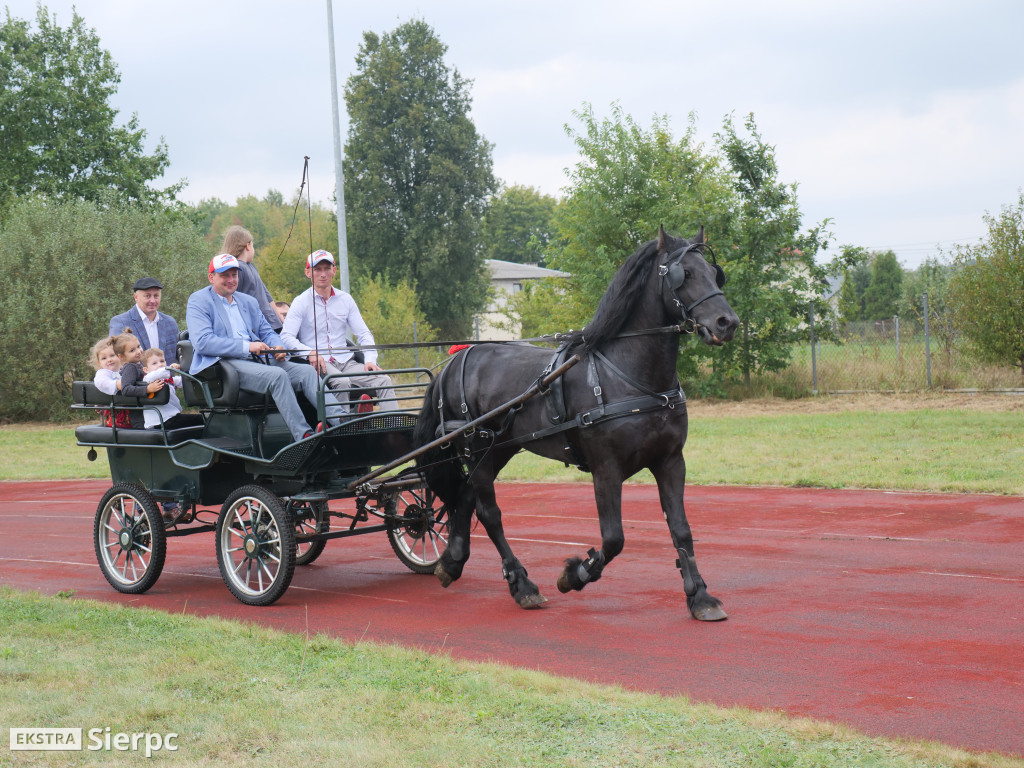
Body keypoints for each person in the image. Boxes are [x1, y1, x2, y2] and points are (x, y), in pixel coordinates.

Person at [185, 253, 343, 442]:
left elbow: (267, 331)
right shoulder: (199, 301)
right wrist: (248, 346)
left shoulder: (247, 301)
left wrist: (279, 345)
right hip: (225, 365)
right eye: (224, 275)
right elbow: (203, 342)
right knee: (277, 376)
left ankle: (342, 421)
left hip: (259, 361)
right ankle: (304, 435)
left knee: (307, 372)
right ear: (212, 277)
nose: (231, 280)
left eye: (234, 275)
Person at [280, 250, 398, 412]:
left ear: (334, 270)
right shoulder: (301, 302)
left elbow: (363, 334)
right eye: (317, 269)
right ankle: (342, 428)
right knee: (341, 382)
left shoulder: (346, 299)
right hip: (320, 365)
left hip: (347, 362)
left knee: (384, 380)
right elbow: (286, 337)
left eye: (327, 268)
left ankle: (393, 430)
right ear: (308, 273)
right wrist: (309, 352)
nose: (323, 274)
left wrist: (370, 359)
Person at [109, 277, 181, 366]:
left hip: (167, 379)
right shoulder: (121, 322)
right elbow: (116, 359)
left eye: (156, 296)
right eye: (147, 296)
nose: (152, 300)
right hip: (136, 379)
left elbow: (182, 357)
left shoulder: (170, 323)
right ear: (136, 297)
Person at [222, 225, 282, 332]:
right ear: (248, 246)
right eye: (253, 246)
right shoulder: (238, 270)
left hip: (270, 323)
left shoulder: (251, 266)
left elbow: (267, 295)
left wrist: (279, 318)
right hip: (255, 326)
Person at [140, 347, 204, 431]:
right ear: (146, 369)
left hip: (170, 418)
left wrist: (182, 369)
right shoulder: (149, 380)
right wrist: (167, 369)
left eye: (162, 361)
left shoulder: (168, 379)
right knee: (201, 420)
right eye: (154, 363)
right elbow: (154, 375)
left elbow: (185, 381)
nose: (160, 364)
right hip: (160, 420)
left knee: (202, 418)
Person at [88, 335, 129, 428]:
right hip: (114, 415)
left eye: (112, 355)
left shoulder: (127, 369)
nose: (109, 360)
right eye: (104, 358)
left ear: (120, 356)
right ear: (99, 362)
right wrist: (116, 384)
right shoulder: (103, 374)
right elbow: (102, 383)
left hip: (133, 410)